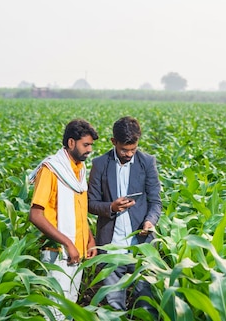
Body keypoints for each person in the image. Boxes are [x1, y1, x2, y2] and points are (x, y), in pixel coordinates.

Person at [88, 116, 162, 313]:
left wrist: (149, 221)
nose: (129, 154)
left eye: (133, 149)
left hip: (141, 247)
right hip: (112, 247)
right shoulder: (100, 164)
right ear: (113, 142)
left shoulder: (147, 162)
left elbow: (155, 202)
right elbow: (90, 203)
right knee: (114, 306)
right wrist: (111, 207)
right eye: (124, 150)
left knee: (146, 305)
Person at [28, 118, 99, 319]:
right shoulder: (51, 170)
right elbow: (35, 215)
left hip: (76, 251)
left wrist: (89, 239)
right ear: (71, 143)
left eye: (91, 145)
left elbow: (79, 212)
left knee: (70, 309)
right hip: (57, 253)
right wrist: (68, 242)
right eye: (86, 145)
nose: (90, 149)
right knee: (56, 312)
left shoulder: (78, 170)